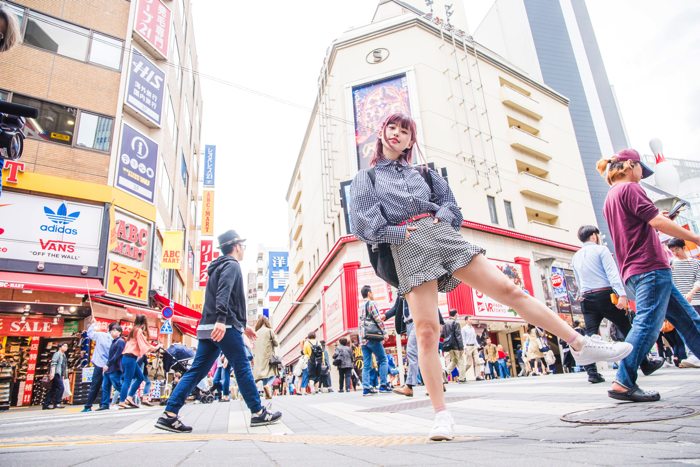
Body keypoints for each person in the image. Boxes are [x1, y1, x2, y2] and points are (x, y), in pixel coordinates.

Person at [350, 113, 632, 440]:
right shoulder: (366, 178)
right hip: (409, 247)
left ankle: (579, 344)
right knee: (427, 331)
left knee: (510, 291)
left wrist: (440, 219)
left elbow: (451, 207)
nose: (397, 134)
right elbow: (363, 224)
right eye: (392, 128)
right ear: (381, 133)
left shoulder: (425, 173)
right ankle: (441, 415)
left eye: (405, 130)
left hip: (443, 236)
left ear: (412, 140)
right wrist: (402, 235)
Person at [597, 149, 700, 402]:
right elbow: (657, 223)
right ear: (631, 165)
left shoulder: (611, 196)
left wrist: (658, 218)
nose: (643, 175)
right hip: (650, 266)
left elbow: (643, 224)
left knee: (688, 319)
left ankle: (624, 379)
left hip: (636, 269)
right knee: (646, 324)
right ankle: (623, 381)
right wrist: (696, 238)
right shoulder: (631, 189)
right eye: (642, 169)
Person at [156, 230, 282, 432]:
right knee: (241, 367)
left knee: (197, 370)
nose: (243, 250)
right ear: (236, 246)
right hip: (222, 327)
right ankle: (258, 412)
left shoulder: (216, 267)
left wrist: (243, 325)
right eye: (243, 246)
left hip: (208, 327)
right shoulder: (232, 265)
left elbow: (223, 298)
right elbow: (224, 293)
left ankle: (169, 414)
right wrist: (223, 321)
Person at [572, 224, 664, 383]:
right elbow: (612, 273)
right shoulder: (601, 250)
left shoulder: (576, 256)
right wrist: (621, 294)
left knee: (590, 336)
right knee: (628, 330)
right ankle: (645, 364)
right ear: (594, 236)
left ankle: (592, 374)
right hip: (606, 295)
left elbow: (578, 279)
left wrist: (582, 293)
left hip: (586, 298)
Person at [119, 314, 160, 409]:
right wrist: (155, 347)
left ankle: (129, 397)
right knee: (127, 380)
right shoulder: (138, 330)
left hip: (130, 357)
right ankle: (122, 401)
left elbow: (142, 344)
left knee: (140, 377)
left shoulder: (134, 330)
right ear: (144, 322)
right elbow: (143, 344)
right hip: (130, 357)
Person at [358, 285, 391, 395]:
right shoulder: (371, 304)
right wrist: (384, 332)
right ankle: (383, 384)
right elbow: (377, 318)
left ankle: (366, 388)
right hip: (372, 337)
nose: (373, 295)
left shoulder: (360, 306)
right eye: (372, 292)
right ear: (369, 293)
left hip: (363, 339)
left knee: (366, 364)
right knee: (383, 359)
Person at [81, 321, 117, 412]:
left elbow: (90, 333)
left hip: (99, 364)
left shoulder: (101, 335)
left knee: (95, 385)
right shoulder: (116, 340)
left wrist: (93, 324)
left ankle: (88, 406)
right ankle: (104, 405)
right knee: (106, 386)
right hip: (109, 365)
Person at [668, 238, 700, 314]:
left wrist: (691, 293)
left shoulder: (696, 263)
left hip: (696, 300)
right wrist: (668, 272)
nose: (675, 252)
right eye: (672, 250)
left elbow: (699, 280)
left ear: (684, 247)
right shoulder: (670, 264)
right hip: (680, 303)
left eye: (677, 249)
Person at [253, 316, 279, 400]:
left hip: (259, 358)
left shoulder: (256, 332)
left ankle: (267, 395)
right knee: (274, 373)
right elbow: (276, 343)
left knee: (265, 375)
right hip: (268, 357)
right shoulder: (269, 331)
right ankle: (267, 385)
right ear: (267, 322)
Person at [99, 325, 124, 410]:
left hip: (115, 368)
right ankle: (105, 404)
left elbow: (117, 354)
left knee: (117, 385)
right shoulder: (113, 341)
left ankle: (127, 398)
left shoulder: (120, 341)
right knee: (105, 387)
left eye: (114, 330)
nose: (112, 332)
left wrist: (108, 364)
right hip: (109, 368)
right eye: (111, 330)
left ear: (119, 332)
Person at [441, 309, 466, 383]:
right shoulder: (456, 323)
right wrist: (461, 347)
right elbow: (458, 336)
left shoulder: (445, 322)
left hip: (449, 345)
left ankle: (446, 371)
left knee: (454, 360)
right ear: (456, 314)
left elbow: (442, 334)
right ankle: (462, 378)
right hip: (456, 345)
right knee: (461, 361)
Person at [42, 342, 68, 410]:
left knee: (53, 389)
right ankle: (57, 403)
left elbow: (63, 366)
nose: (66, 347)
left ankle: (46, 404)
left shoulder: (63, 355)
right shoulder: (57, 354)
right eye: (64, 346)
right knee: (61, 388)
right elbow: (53, 364)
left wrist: (63, 375)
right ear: (60, 347)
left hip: (59, 374)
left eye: (66, 346)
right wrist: (52, 373)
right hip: (56, 373)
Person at [461, 317, 479, 381]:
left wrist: (477, 345)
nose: (471, 320)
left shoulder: (472, 329)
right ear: (466, 321)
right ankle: (461, 374)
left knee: (477, 361)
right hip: (468, 346)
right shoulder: (464, 329)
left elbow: (474, 338)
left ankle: (478, 375)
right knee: (469, 363)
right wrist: (464, 347)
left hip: (474, 346)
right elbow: (463, 339)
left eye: (472, 319)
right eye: (470, 319)